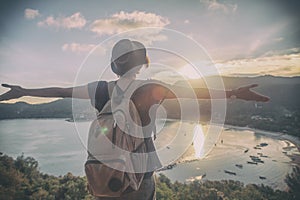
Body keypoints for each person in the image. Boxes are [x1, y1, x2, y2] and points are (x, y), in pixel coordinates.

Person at [0, 39, 270, 199]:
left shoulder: (100, 89)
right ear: (142, 64)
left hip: (104, 175)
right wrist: (235, 93)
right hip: (140, 178)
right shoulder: (149, 89)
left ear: (115, 65)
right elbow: (197, 93)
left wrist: (23, 92)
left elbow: (59, 91)